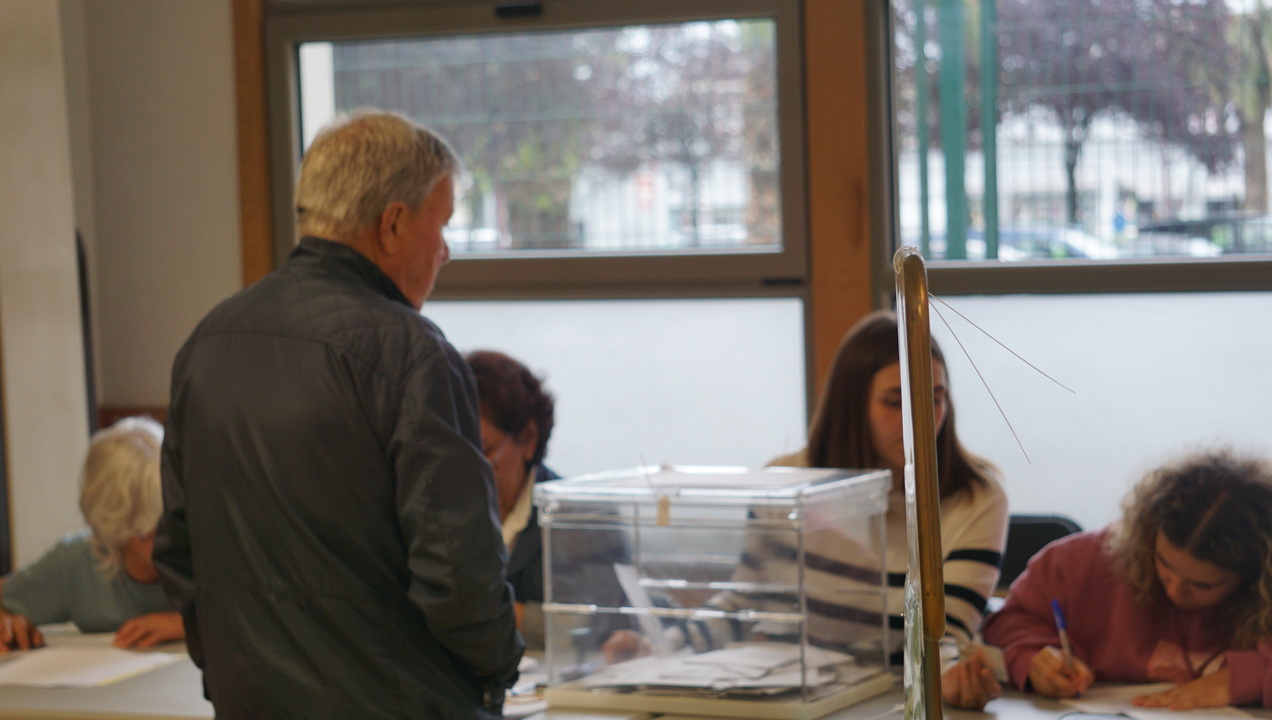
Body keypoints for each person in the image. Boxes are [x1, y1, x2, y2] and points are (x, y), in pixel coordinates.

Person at [154, 111, 522, 720]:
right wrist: (497, 674)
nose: (446, 251)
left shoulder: (208, 342)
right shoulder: (412, 356)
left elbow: (178, 548)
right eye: (442, 224)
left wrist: (229, 669)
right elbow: (459, 576)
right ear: (393, 225)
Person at [769, 310, 1009, 710]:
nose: (919, 420)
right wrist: (664, 640)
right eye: (895, 403)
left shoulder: (977, 497)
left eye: (935, 399)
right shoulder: (786, 482)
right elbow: (749, 608)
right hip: (791, 695)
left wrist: (951, 677)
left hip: (895, 700)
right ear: (851, 406)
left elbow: (943, 634)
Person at [983, 449, 1272, 710]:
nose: (1175, 590)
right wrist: (1034, 659)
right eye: (1164, 563)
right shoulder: (1087, 562)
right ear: (1148, 535)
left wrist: (1251, 677)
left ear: (1254, 577)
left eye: (1202, 585)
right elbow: (1009, 621)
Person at [0, 416, 182, 651]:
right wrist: (8, 623)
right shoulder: (78, 563)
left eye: (179, 519)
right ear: (117, 527)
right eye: (151, 527)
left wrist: (189, 625)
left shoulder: (209, 551)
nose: (175, 539)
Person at [465, 349, 558, 646]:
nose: (466, 469)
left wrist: (487, 614)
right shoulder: (433, 510)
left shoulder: (577, 518)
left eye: (484, 451)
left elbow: (592, 626)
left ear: (527, 437)